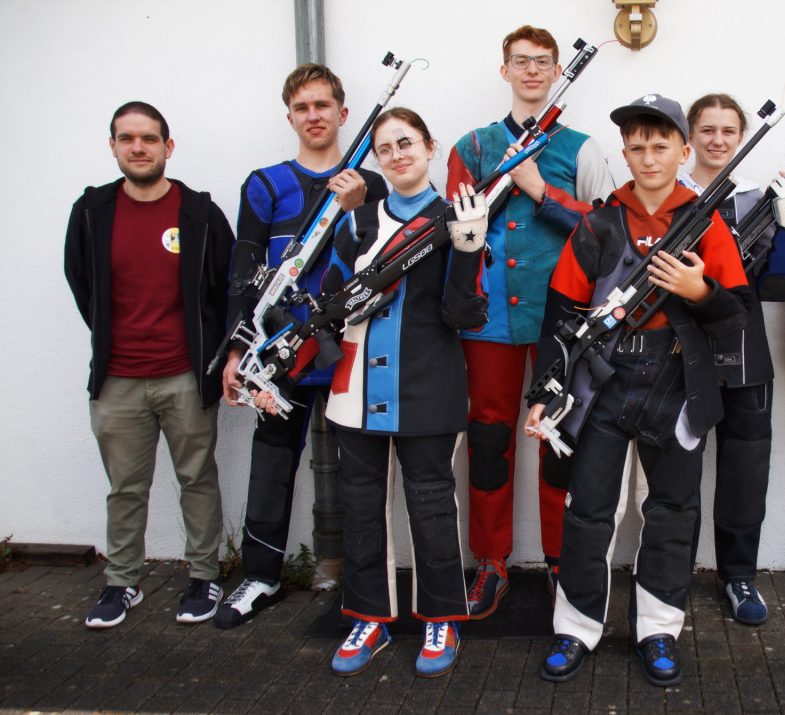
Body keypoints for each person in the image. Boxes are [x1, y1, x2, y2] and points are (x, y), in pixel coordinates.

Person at [526, 94, 750, 685]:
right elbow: (560, 315)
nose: (649, 157)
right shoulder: (598, 225)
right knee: (588, 512)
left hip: (676, 387)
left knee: (672, 512)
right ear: (623, 153)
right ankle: (576, 629)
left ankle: (658, 631)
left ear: (683, 150)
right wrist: (545, 392)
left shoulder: (708, 224)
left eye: (660, 145)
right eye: (637, 146)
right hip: (601, 387)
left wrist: (700, 292)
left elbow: (739, 317)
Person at [255, 107, 487, 677]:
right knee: (360, 508)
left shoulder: (457, 216)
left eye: (406, 143)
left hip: (429, 389)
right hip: (354, 389)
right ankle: (368, 617)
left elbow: (465, 315)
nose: (397, 155)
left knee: (432, 508)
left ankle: (441, 618)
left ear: (429, 147)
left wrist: (466, 250)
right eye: (385, 149)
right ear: (376, 161)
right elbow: (328, 308)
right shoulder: (356, 221)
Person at [446, 24, 615, 617]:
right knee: (489, 439)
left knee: (558, 439)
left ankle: (561, 560)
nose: (533, 70)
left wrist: (541, 191)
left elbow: (606, 235)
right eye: (521, 61)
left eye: (544, 61)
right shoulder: (473, 147)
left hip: (561, 319)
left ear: (556, 70)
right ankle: (490, 562)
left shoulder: (582, 148)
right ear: (505, 70)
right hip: (488, 318)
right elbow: (456, 233)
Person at [215, 64, 388, 629]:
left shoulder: (371, 182)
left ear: (343, 113)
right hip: (282, 354)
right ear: (289, 117)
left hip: (348, 349)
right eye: (302, 108)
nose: (313, 116)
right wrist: (238, 352)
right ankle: (261, 576)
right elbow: (243, 274)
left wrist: (359, 207)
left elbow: (384, 265)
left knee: (360, 472)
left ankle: (362, 585)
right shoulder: (265, 185)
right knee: (270, 465)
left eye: (323, 105)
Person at [64, 101, 234, 628]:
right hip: (117, 379)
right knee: (125, 487)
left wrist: (217, 354)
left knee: (197, 478)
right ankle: (122, 582)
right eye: (127, 138)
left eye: (149, 138)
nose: (138, 148)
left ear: (168, 146)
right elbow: (81, 282)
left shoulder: (199, 214)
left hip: (185, 375)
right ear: (113, 146)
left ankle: (204, 576)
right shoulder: (91, 212)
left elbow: (226, 289)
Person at [680, 94, 785, 625]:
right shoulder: (669, 193)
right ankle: (671, 576)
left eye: (728, 130)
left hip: (746, 355)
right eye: (707, 130)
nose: (718, 140)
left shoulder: (756, 200)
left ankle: (739, 576)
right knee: (676, 474)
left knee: (745, 473)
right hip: (679, 353)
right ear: (690, 136)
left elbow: (777, 287)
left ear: (741, 135)